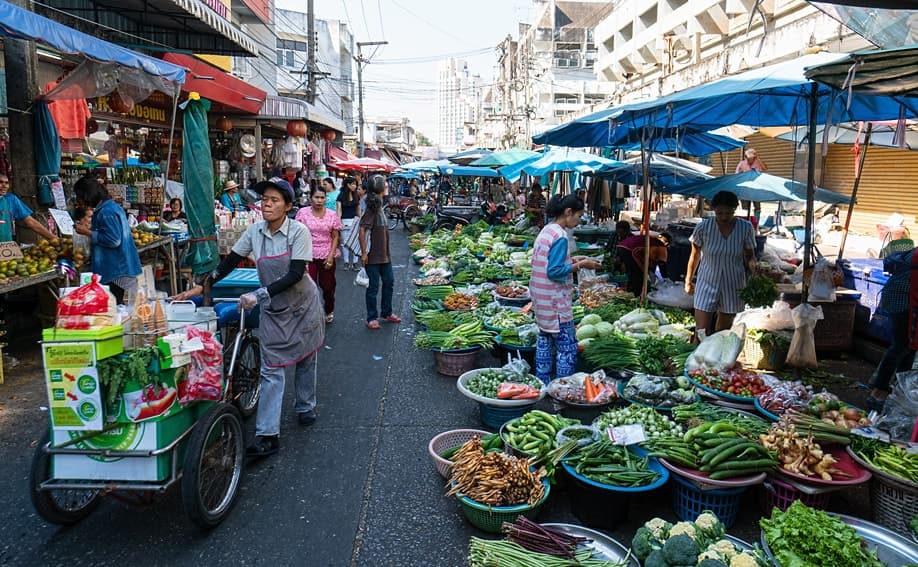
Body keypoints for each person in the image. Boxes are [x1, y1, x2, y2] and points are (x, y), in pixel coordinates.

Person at [174, 178, 324, 458]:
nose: (267, 204)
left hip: (302, 305)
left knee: (305, 358)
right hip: (274, 309)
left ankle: (305, 405)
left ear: (288, 206)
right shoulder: (254, 232)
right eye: (265, 199)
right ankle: (268, 434)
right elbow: (229, 263)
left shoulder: (298, 232)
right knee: (271, 370)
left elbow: (294, 274)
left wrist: (260, 293)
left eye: (274, 200)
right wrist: (204, 284)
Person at [530, 195, 602, 385]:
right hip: (555, 302)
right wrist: (583, 264)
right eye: (578, 216)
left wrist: (575, 261)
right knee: (567, 348)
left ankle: (543, 385)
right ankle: (562, 391)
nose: (578, 221)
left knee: (545, 341)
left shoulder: (547, 230)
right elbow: (554, 271)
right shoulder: (560, 236)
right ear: (568, 212)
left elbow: (550, 262)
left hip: (541, 299)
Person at [684, 190, 756, 339]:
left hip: (733, 283)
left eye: (728, 213)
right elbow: (695, 254)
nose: (724, 217)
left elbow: (749, 256)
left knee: (723, 333)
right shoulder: (703, 227)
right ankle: (697, 358)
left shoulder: (745, 228)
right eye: (720, 213)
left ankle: (717, 360)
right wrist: (688, 280)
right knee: (701, 331)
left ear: (735, 210)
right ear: (713, 210)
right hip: (706, 281)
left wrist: (755, 268)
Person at [73, 175, 141, 304]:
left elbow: (113, 240)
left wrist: (87, 232)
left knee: (117, 309)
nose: (79, 200)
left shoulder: (106, 211)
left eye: (79, 196)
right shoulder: (110, 207)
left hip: (116, 271)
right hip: (119, 268)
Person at [866, 247, 916, 411]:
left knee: (909, 348)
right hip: (905, 303)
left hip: (902, 300)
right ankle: (879, 391)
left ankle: (898, 391)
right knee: (901, 346)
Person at [359, 175, 401, 330]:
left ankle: (386, 312)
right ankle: (371, 317)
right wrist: (364, 253)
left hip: (385, 255)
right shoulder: (373, 206)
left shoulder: (379, 203)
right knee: (373, 287)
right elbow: (362, 230)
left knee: (389, 282)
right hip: (373, 256)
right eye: (385, 184)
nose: (387, 186)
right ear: (381, 188)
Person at [296, 185, 342, 323]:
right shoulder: (302, 213)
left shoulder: (332, 215)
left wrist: (330, 257)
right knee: (309, 287)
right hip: (307, 255)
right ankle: (311, 313)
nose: (319, 200)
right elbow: (297, 235)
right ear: (311, 198)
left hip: (327, 254)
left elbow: (335, 237)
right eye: (316, 197)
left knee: (328, 287)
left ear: (326, 199)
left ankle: (329, 309)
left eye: (322, 197)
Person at [0, 174, 56, 242]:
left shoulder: (11, 199)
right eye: (0, 182)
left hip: (6, 247)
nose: (4, 186)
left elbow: (31, 222)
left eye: (6, 183)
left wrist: (54, 238)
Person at [337, 176, 362, 271]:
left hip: (355, 220)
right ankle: (346, 262)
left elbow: (359, 209)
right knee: (345, 243)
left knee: (356, 242)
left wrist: (360, 219)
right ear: (348, 185)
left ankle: (355, 262)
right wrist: (338, 222)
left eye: (355, 184)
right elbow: (339, 210)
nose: (355, 186)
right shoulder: (341, 195)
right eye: (353, 184)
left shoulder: (357, 195)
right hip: (344, 221)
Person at [736, 149, 767, 221]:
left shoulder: (757, 162)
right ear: (746, 157)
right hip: (745, 189)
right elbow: (737, 175)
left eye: (752, 158)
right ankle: (745, 223)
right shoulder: (742, 163)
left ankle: (756, 223)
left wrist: (758, 159)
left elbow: (765, 168)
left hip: (756, 189)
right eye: (749, 158)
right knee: (745, 209)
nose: (750, 160)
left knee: (757, 208)